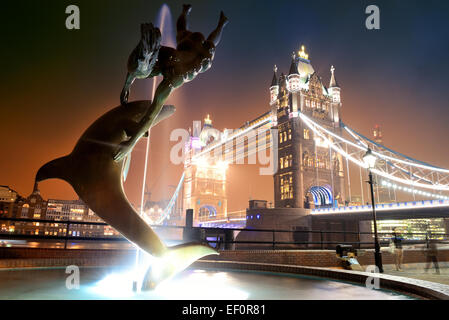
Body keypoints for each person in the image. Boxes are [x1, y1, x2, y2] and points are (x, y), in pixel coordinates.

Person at [115, 4, 228, 161]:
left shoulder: (173, 79)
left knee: (210, 44)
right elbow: (137, 66)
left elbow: (152, 114)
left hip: (200, 59)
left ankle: (221, 23)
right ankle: (189, 12)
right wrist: (127, 85)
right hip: (186, 46)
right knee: (182, 33)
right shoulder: (162, 52)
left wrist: (130, 143)